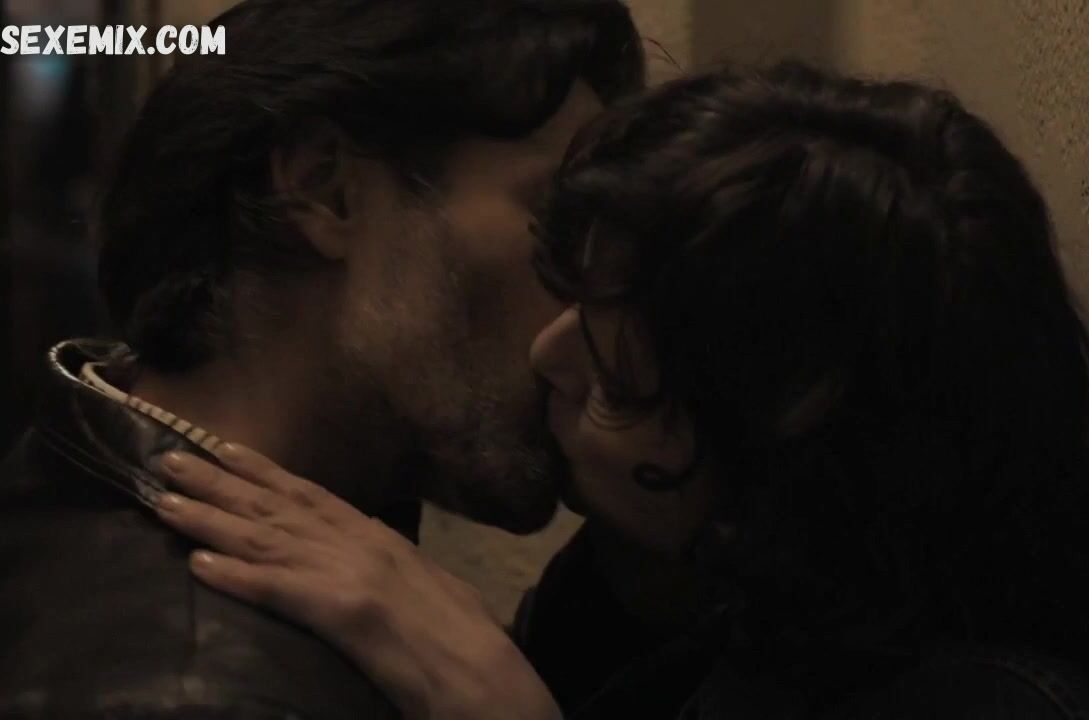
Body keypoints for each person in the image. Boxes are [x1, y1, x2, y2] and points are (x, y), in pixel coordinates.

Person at [144, 64, 1089, 719]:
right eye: (575, 303)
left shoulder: (981, 706)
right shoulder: (637, 601)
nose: (547, 358)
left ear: (785, 463)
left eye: (617, 385)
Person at [0, 0, 643, 717]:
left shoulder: (69, 498)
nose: (590, 306)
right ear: (325, 187)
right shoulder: (186, 690)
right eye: (559, 220)